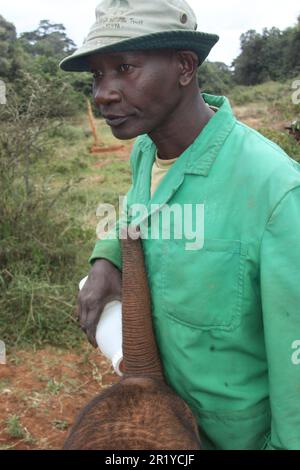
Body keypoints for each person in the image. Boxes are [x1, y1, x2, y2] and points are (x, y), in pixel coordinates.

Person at [60, 0, 300, 450]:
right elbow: (136, 210)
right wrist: (106, 257)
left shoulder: (275, 192)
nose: (103, 93)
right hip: (169, 422)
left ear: (184, 66)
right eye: (97, 75)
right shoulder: (146, 153)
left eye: (124, 67)